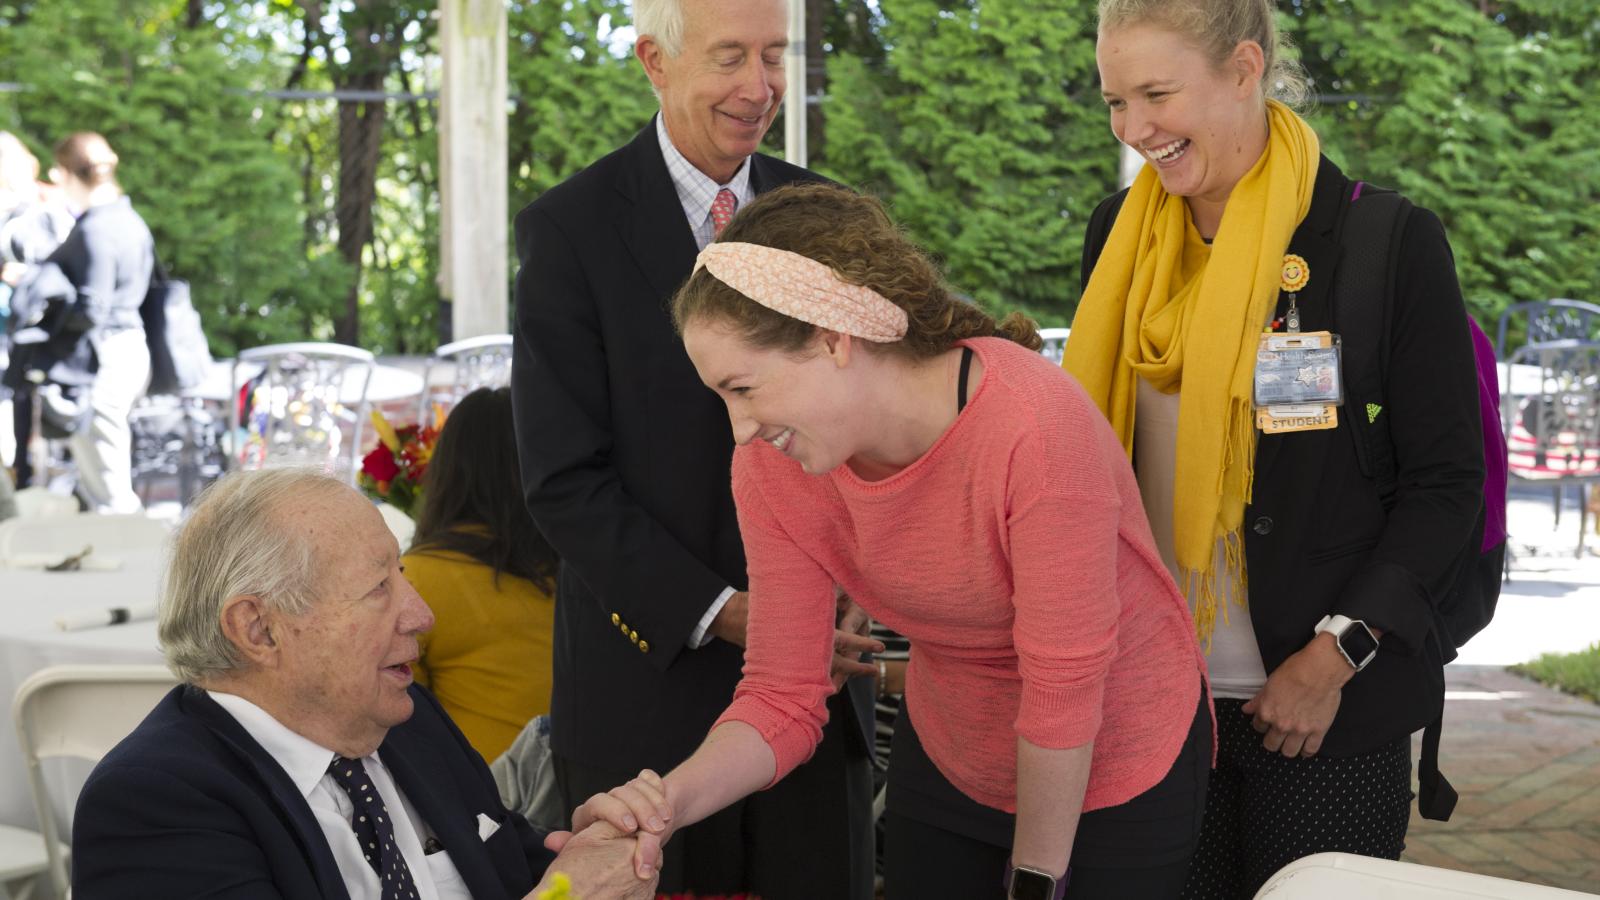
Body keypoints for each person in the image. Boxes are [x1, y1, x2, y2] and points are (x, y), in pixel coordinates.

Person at [572, 183, 1215, 900]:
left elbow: (1063, 692)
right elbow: (782, 695)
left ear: (833, 337)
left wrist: (1035, 880)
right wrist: (661, 810)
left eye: (743, 388)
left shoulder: (1034, 431)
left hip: (1114, 759)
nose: (740, 429)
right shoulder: (772, 468)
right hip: (954, 754)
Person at [1065, 2, 1485, 897]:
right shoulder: (1118, 236)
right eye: (1113, 101)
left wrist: (1336, 654)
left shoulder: (1385, 243)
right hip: (1153, 709)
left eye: (1157, 94)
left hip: (1322, 710)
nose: (1134, 130)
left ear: (1245, 70)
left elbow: (1447, 488)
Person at [510, 0, 877, 896]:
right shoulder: (570, 230)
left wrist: (865, 584)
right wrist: (727, 610)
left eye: (774, 57)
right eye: (729, 59)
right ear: (654, 62)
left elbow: (873, 423)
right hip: (648, 698)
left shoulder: (829, 218)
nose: (759, 88)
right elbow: (564, 481)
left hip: (819, 690)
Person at [73, 468, 658, 900]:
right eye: (379, 588)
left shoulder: (403, 720)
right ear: (259, 629)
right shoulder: (155, 804)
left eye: (401, 573)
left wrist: (590, 851)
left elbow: (517, 866)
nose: (421, 614)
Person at [404, 386, 559, 762]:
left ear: (446, 472)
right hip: (607, 790)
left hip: (485, 803)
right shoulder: (587, 571)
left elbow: (396, 730)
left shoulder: (415, 581)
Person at [9, 133, 154, 512]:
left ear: (69, 173)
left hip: (105, 358)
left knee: (108, 485)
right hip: (129, 348)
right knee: (103, 476)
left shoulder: (97, 230)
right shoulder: (130, 220)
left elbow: (93, 307)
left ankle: (133, 563)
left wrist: (46, 320)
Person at [0, 131, 72, 485]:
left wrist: (23, 278)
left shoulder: (44, 211)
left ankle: (28, 478)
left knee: (28, 414)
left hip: (32, 334)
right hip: (11, 331)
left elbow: (57, 272)